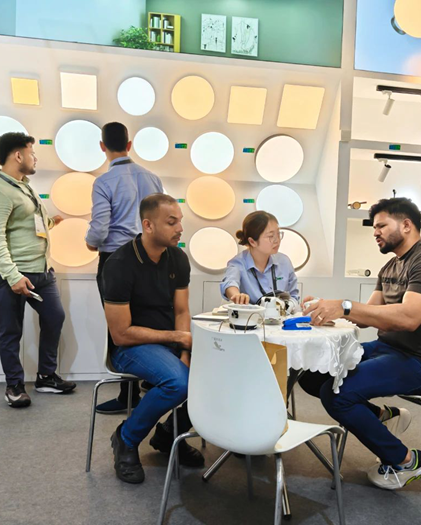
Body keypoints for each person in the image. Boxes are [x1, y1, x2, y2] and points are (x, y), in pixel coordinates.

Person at [300, 198, 421, 490]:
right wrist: (326, 307)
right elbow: (366, 317)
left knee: (337, 395)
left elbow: (409, 317)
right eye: (374, 227)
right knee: (312, 375)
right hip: (386, 349)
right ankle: (384, 415)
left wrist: (344, 306)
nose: (375, 232)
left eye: (381, 226)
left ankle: (406, 461)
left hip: (419, 362)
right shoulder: (390, 266)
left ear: (406, 225)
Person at [103, 194, 203, 484]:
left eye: (180, 221)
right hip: (131, 347)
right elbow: (121, 333)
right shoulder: (119, 264)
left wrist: (184, 351)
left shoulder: (178, 258)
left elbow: (182, 310)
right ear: (148, 225)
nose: (180, 228)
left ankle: (169, 433)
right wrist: (179, 338)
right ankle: (126, 438)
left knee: (224, 371)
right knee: (179, 383)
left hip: (170, 343)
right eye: (171, 222)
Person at [0, 132, 76, 408]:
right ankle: (14, 386)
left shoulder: (25, 187)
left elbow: (29, 223)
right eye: (32, 153)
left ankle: (45, 376)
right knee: (11, 331)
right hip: (11, 274)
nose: (35, 158)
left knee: (55, 317)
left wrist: (51, 222)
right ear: (18, 155)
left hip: (41, 271)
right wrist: (12, 276)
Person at [85, 122, 163, 415]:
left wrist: (91, 243)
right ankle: (152, 379)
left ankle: (127, 395)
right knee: (148, 319)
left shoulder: (104, 182)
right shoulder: (153, 178)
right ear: (129, 145)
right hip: (150, 259)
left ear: (102, 147)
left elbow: (99, 228)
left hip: (115, 261)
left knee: (119, 326)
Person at [220, 211, 300, 309]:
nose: (277, 240)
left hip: (281, 316)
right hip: (251, 316)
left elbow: (294, 297)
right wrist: (237, 296)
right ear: (252, 242)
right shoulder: (238, 263)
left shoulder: (284, 262)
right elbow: (230, 284)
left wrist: (287, 306)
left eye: (278, 234)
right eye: (271, 236)